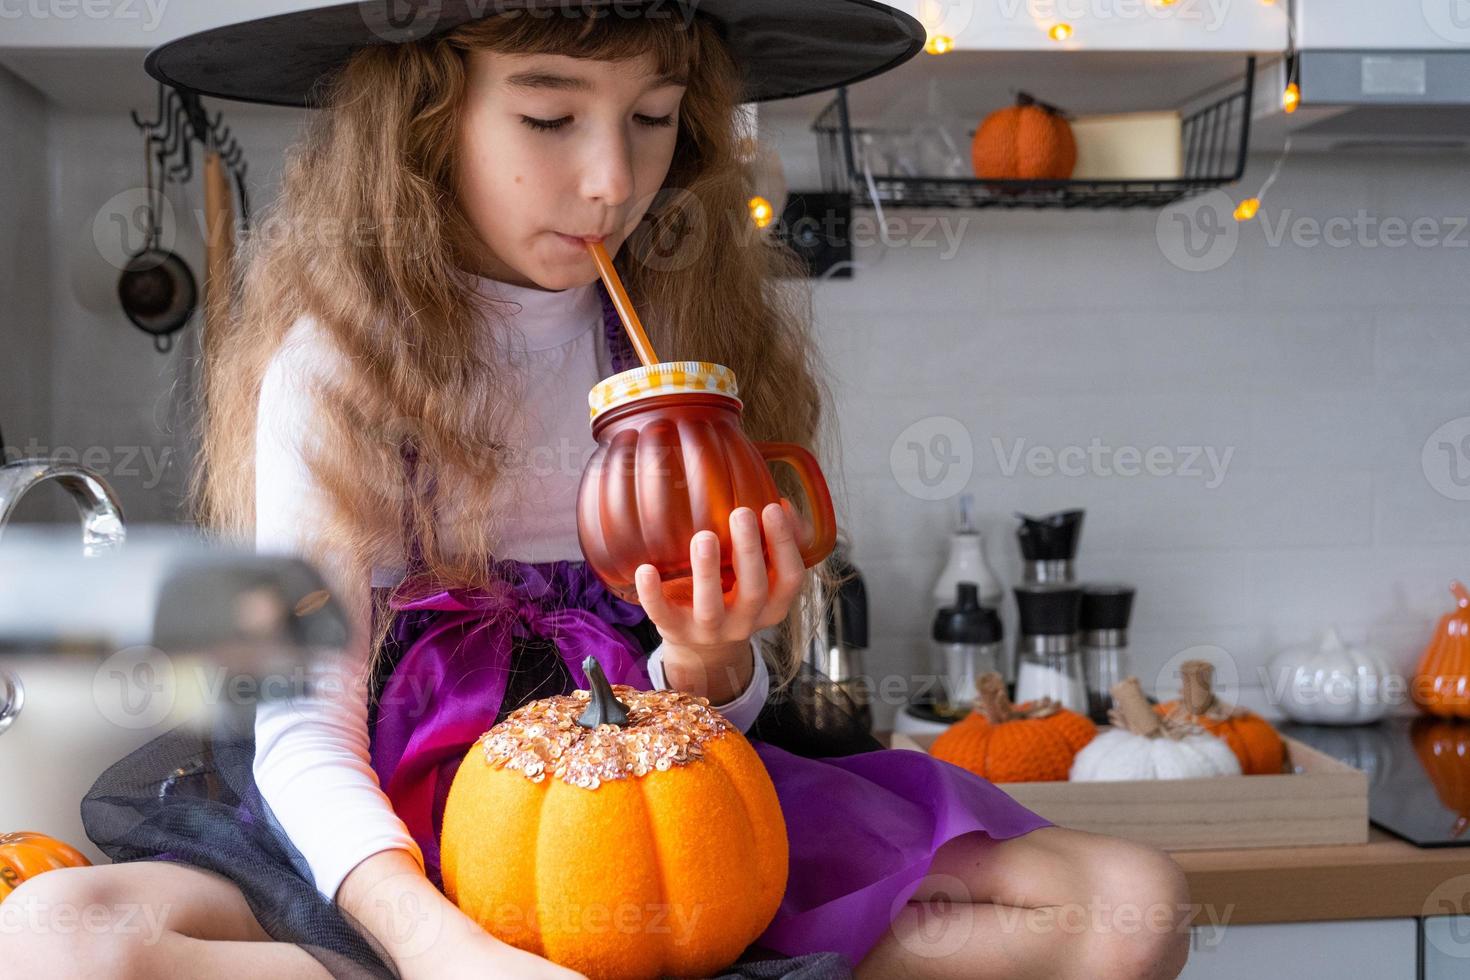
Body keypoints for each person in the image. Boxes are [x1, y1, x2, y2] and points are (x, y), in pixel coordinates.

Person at [2, 4, 1191, 979]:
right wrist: (445, 951)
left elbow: (713, 724)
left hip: (653, 825)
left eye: (655, 118)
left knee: (1132, 905)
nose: (611, 178)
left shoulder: (679, 342)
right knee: (49, 938)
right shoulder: (340, 356)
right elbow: (304, 722)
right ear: (427, 119)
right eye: (549, 114)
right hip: (395, 830)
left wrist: (710, 657)